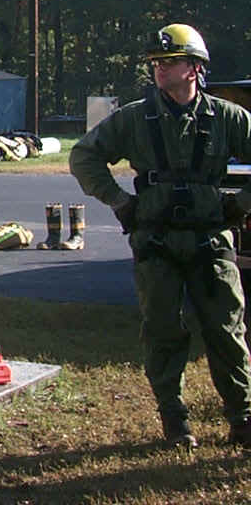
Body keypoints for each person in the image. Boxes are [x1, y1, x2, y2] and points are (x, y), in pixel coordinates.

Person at [70, 24, 251, 449]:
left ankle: (243, 418)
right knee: (163, 331)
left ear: (195, 68)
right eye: (155, 62)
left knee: (227, 330)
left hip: (210, 240)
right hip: (157, 243)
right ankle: (174, 420)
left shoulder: (228, 118)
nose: (159, 69)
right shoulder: (135, 118)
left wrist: (241, 204)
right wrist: (119, 201)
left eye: (169, 61)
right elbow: (84, 156)